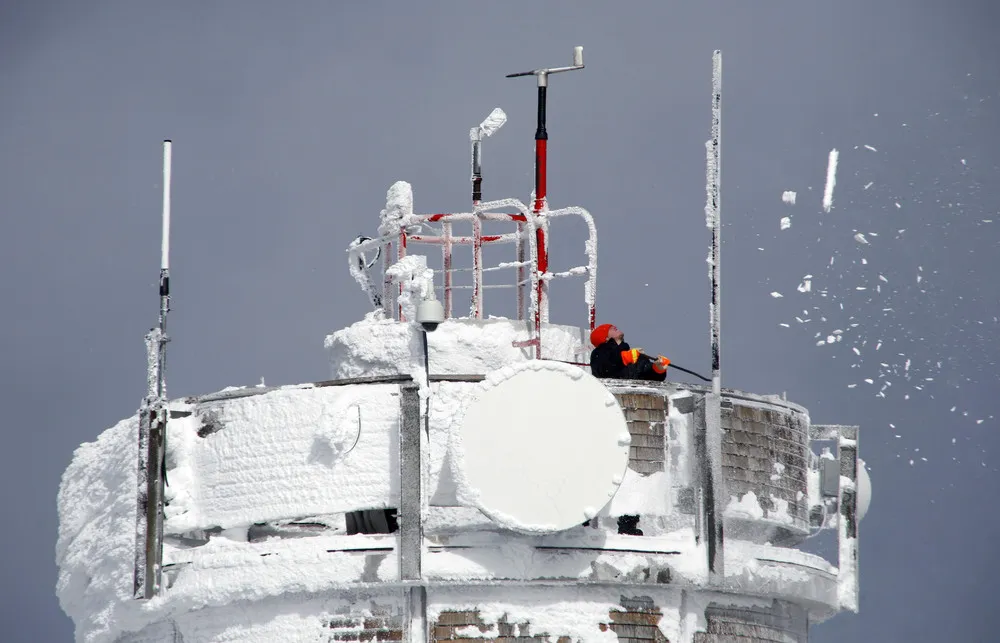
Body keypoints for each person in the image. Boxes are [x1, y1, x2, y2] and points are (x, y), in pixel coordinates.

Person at [589, 323, 669, 381]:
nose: (614, 326)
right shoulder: (598, 353)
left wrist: (658, 369)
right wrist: (625, 357)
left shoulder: (634, 355)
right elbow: (604, 370)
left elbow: (651, 378)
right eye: (610, 328)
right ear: (605, 338)